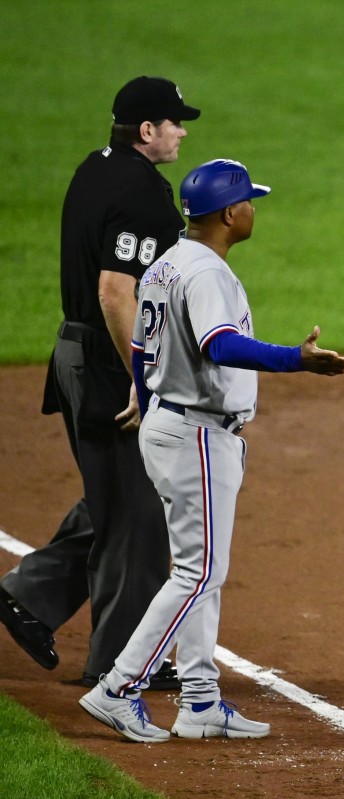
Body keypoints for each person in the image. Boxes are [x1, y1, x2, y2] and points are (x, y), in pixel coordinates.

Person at [78, 158, 344, 742]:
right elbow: (220, 345)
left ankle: (200, 701)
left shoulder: (167, 263)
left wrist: (153, 405)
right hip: (197, 434)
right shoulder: (205, 273)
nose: (254, 208)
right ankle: (118, 686)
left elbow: (140, 345)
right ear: (230, 214)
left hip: (176, 426)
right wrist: (294, 360)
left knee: (199, 571)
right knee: (198, 573)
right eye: (249, 201)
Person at [0, 76, 201, 690]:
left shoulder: (97, 166)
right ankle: (121, 666)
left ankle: (29, 595)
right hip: (109, 360)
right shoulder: (142, 194)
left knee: (123, 497)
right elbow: (117, 290)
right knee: (138, 516)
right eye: (173, 123)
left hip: (77, 350)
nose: (182, 132)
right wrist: (141, 376)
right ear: (148, 130)